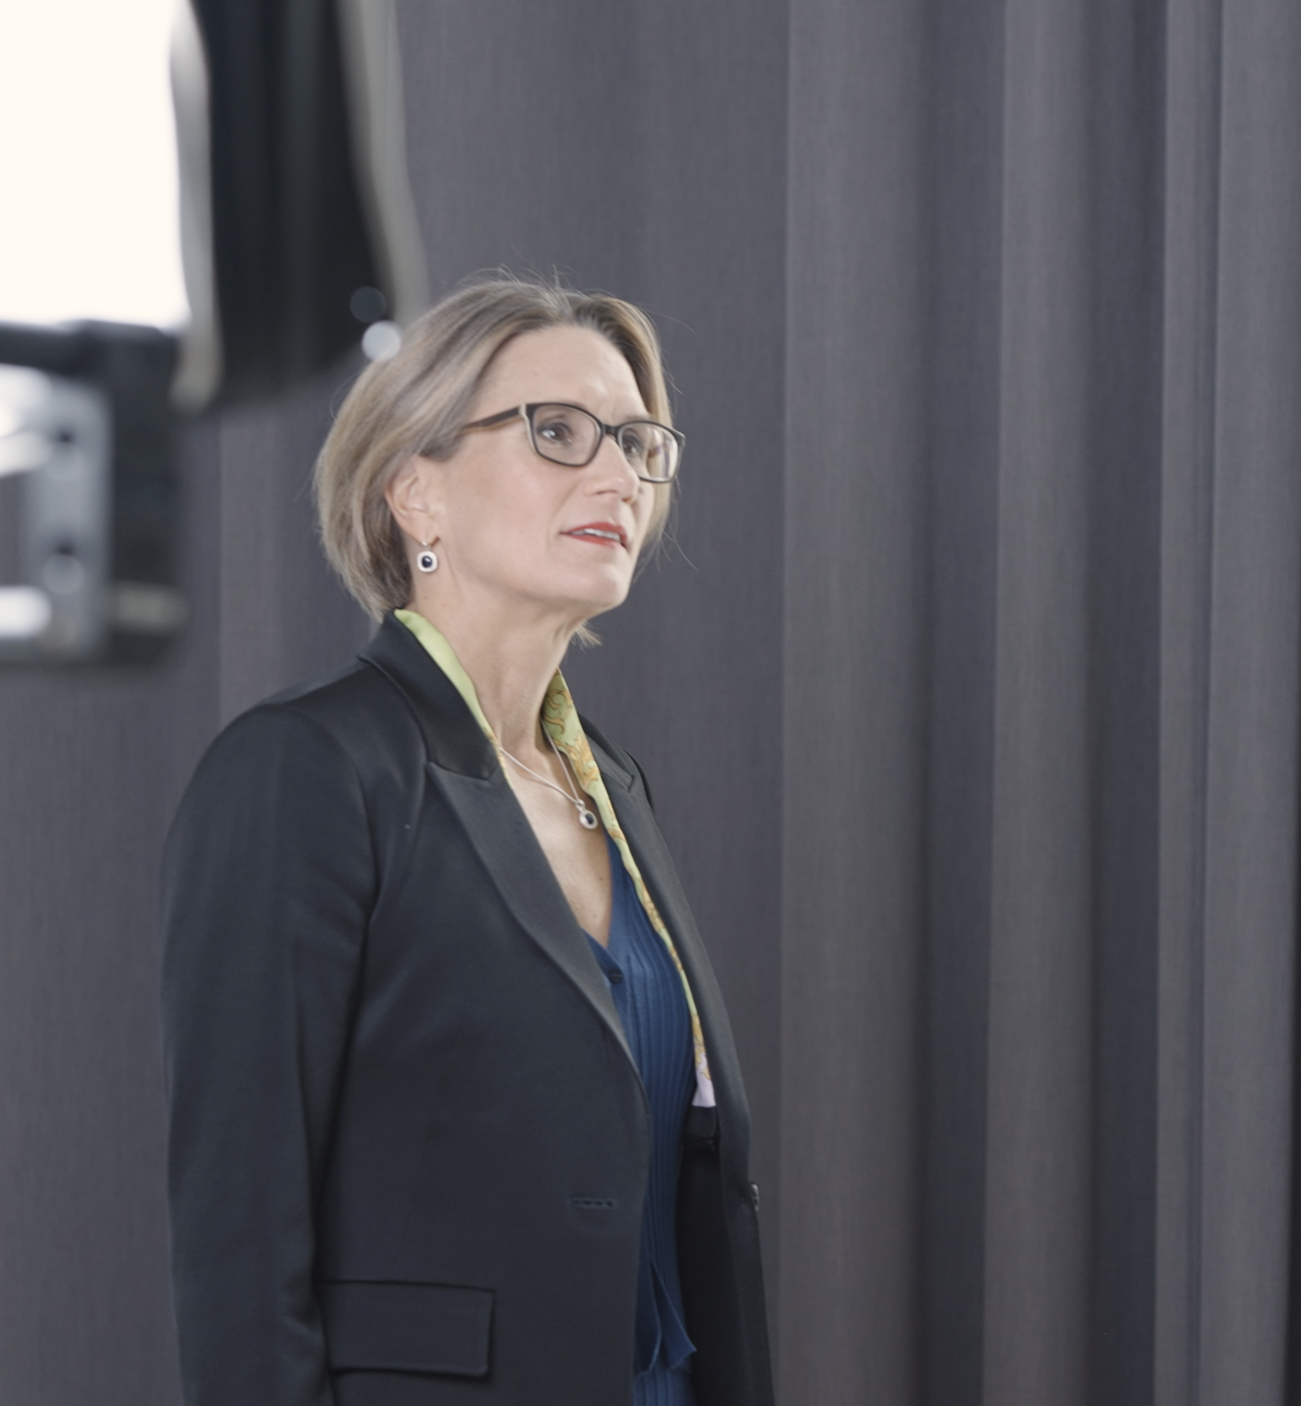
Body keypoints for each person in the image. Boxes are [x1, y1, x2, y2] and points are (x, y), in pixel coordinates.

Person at [161, 278, 772, 1406]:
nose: (617, 477)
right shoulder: (306, 768)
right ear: (415, 490)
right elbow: (241, 1231)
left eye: (638, 444)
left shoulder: (611, 785)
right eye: (558, 432)